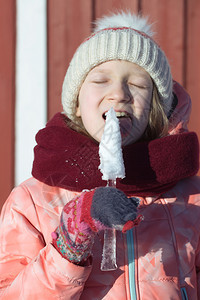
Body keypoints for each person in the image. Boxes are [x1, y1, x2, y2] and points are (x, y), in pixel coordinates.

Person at [0, 11, 199, 300]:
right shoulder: (32, 200)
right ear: (77, 103)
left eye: (139, 84)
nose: (119, 94)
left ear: (156, 106)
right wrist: (71, 240)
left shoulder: (191, 197)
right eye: (101, 80)